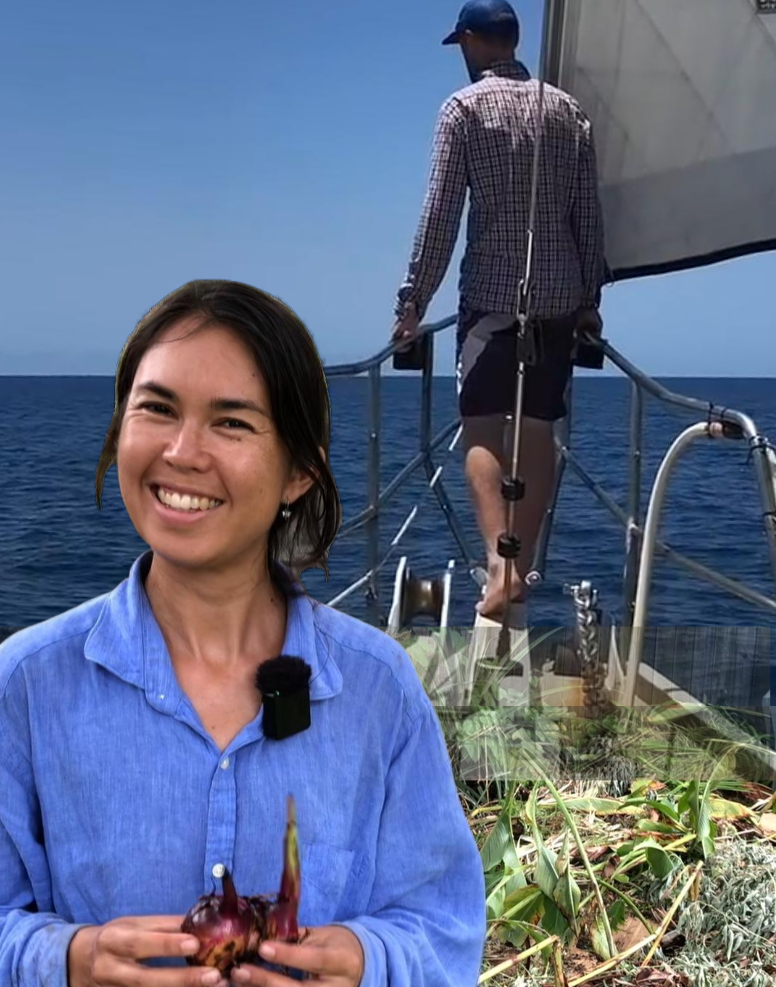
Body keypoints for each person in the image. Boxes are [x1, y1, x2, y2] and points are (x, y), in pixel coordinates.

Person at [0, 280, 486, 987]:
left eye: (231, 423)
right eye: (157, 409)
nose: (182, 451)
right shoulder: (26, 684)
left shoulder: (377, 690)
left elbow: (445, 928)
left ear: (297, 471)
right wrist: (65, 959)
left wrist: (369, 962)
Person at [392, 0, 608, 618]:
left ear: (471, 42)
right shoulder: (568, 112)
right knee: (538, 429)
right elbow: (587, 218)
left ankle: (500, 564)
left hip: (491, 298)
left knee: (482, 425)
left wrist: (412, 303)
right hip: (561, 299)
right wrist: (589, 299)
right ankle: (526, 559)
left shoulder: (462, 110)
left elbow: (439, 217)